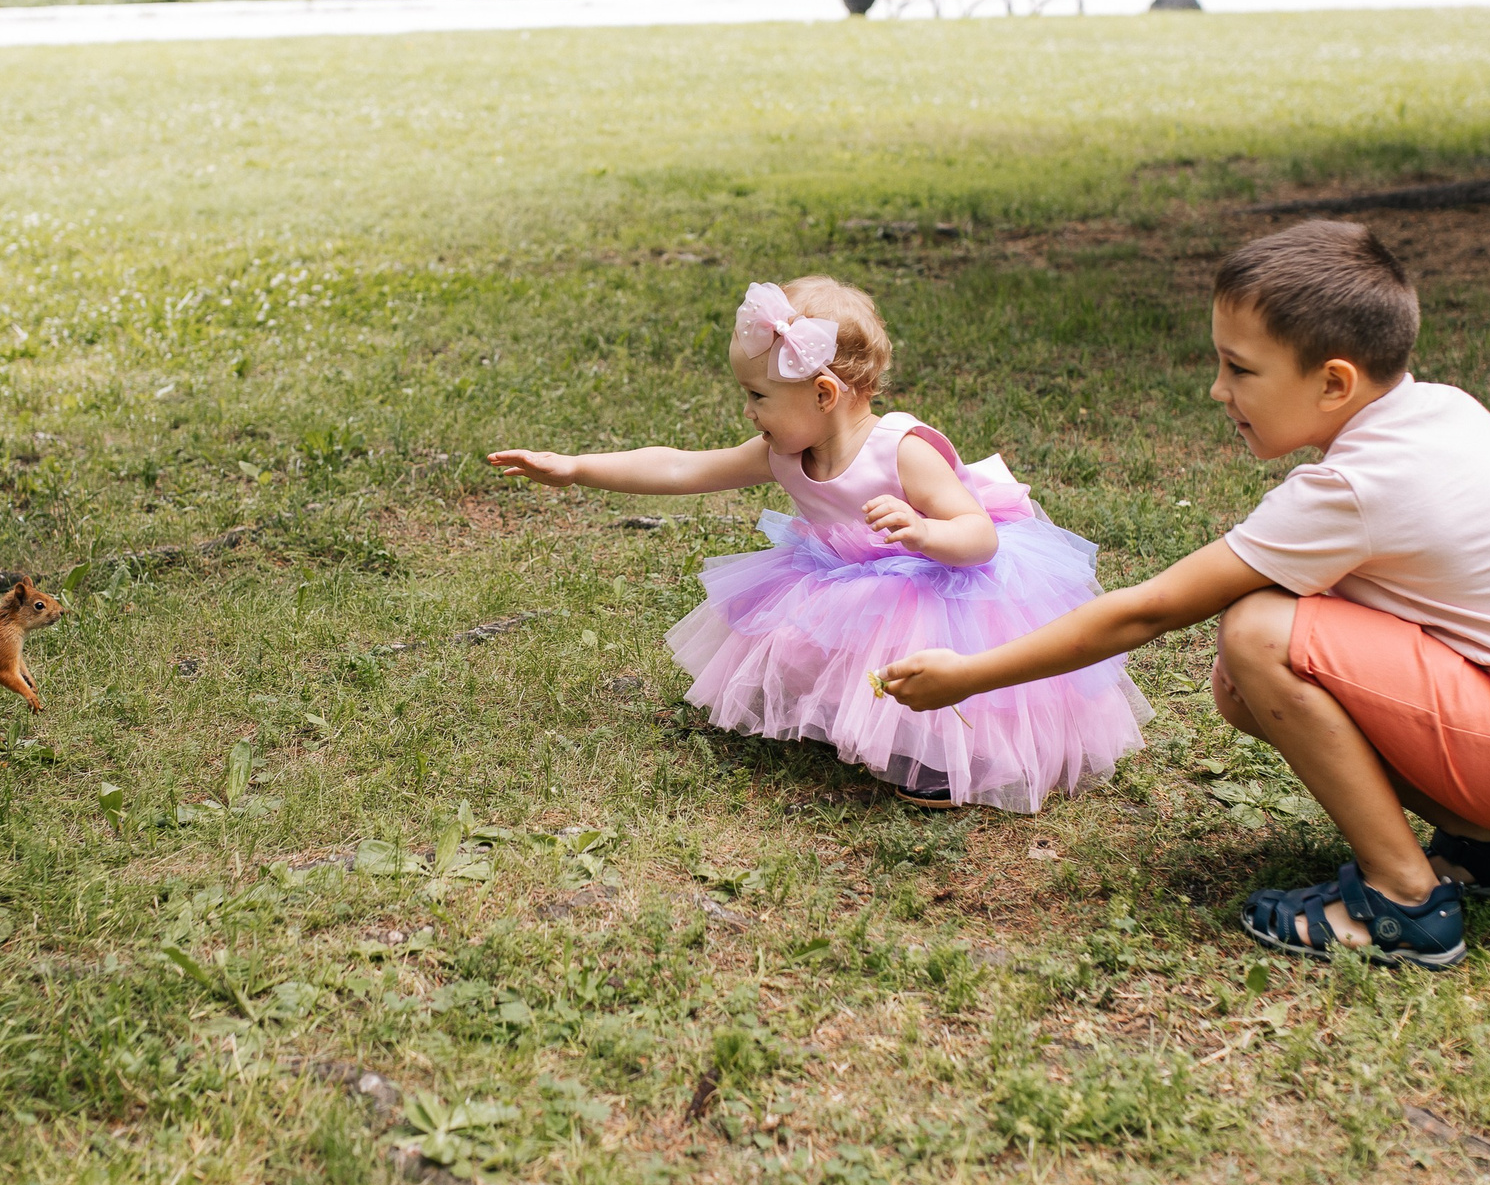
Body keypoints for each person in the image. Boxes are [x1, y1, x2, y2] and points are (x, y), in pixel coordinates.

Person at [880, 222, 1490, 968]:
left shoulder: (1356, 485)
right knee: (1244, 682)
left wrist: (971, 674)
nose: (1218, 390)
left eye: (1240, 369)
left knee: (1257, 635)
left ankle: (1406, 903)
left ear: (1334, 381)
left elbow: (1148, 608)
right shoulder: (1434, 411)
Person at [489, 277, 1148, 812]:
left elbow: (977, 539)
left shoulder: (902, 451)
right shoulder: (785, 450)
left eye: (758, 396)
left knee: (909, 638)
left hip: (941, 584)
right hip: (851, 578)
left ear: (824, 393)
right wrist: (575, 466)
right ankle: (858, 712)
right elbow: (682, 467)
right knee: (828, 626)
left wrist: (923, 532)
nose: (748, 412)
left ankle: (946, 753)